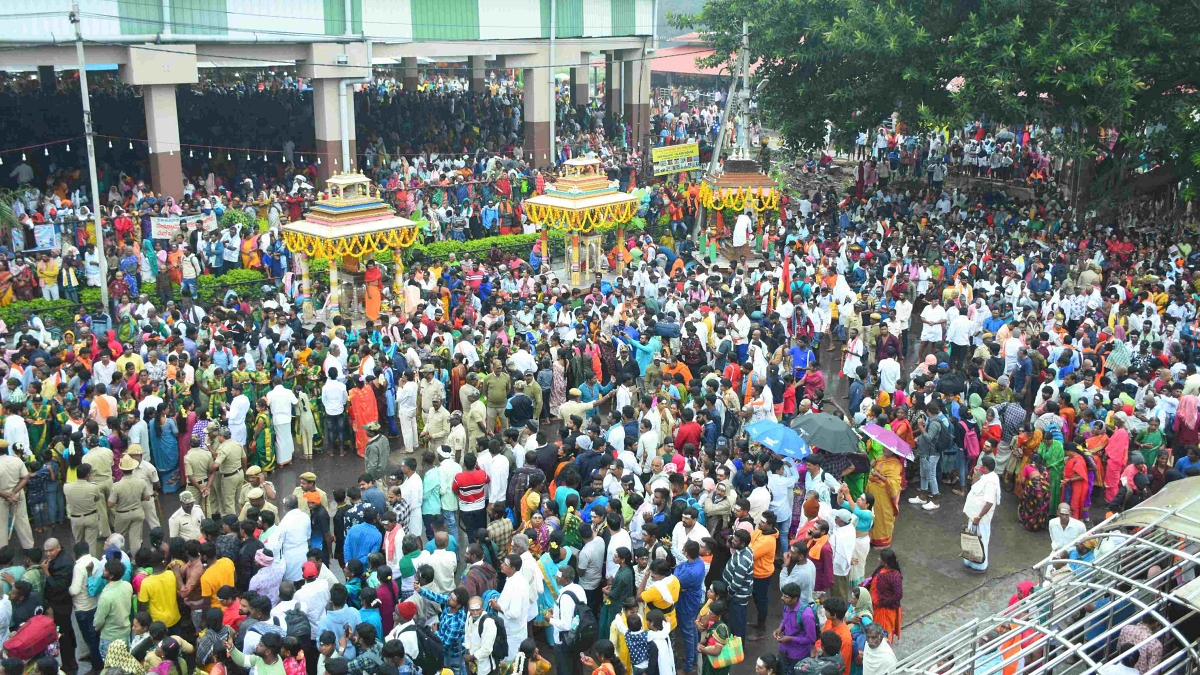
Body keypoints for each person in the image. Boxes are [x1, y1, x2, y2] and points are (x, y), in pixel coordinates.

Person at [963, 455, 1001, 573]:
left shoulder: (991, 482)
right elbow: (974, 487)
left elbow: (989, 502)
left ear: (985, 467)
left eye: (981, 466)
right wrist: (975, 475)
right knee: (971, 539)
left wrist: (978, 517)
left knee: (981, 540)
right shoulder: (985, 476)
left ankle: (980, 566)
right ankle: (970, 561)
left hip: (980, 518)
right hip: (974, 516)